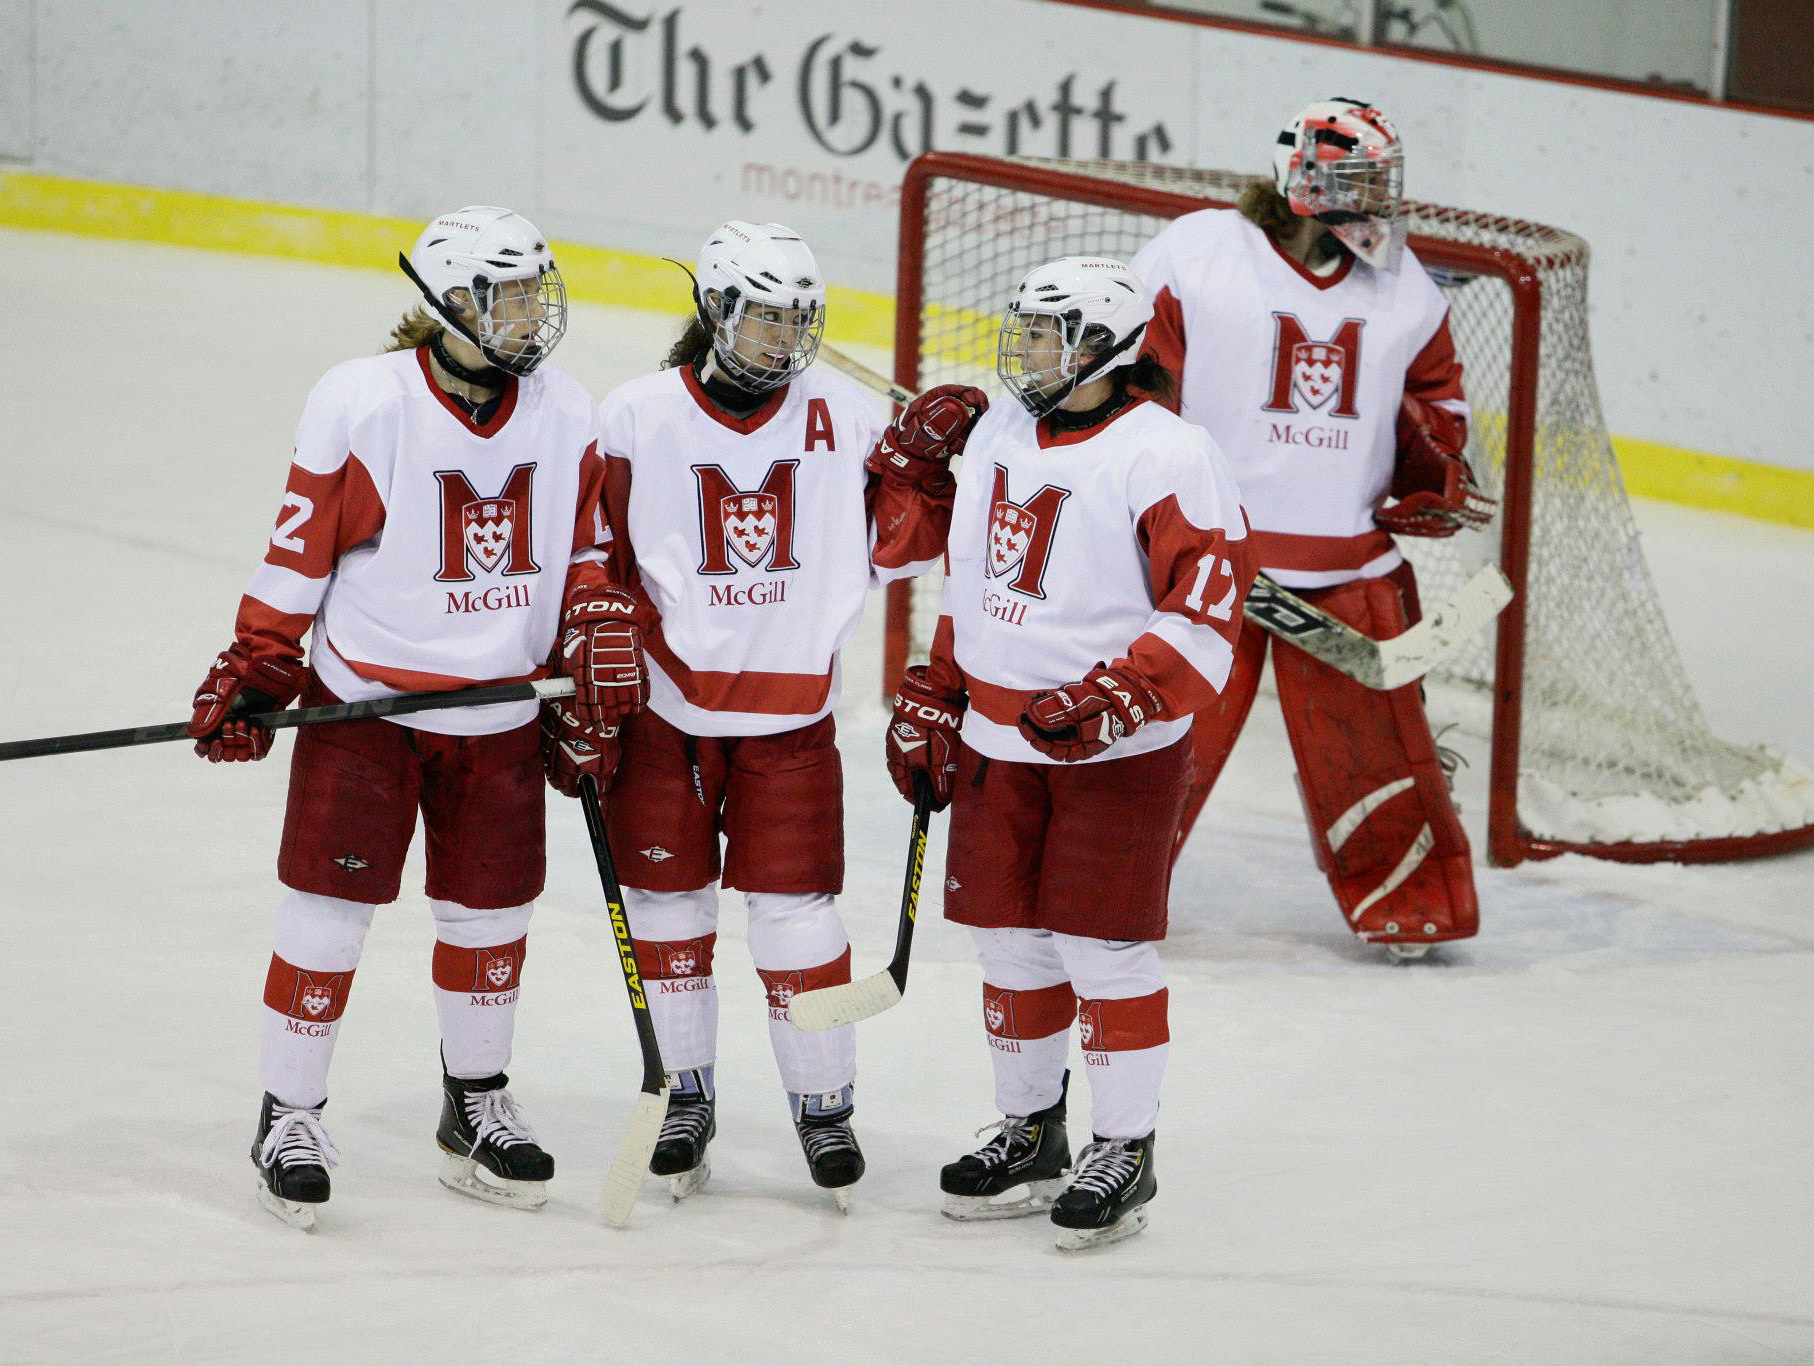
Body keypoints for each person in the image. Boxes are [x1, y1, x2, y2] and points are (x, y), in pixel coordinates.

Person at [188, 206, 649, 1230]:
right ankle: (288, 1112)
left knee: (491, 915)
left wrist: (591, 623)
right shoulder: (364, 400)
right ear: (449, 302)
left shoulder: (567, 408)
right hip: (367, 705)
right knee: (328, 909)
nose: (533, 313)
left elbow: (583, 550)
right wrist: (263, 659)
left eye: (538, 290)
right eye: (508, 294)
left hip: (498, 709)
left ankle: (474, 1100)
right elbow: (299, 545)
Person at [546, 220, 965, 1209]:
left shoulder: (846, 418)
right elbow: (587, 554)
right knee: (667, 911)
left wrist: (929, 471)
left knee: (796, 917)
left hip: (788, 721)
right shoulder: (636, 414)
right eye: (761, 317)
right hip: (664, 715)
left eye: (795, 319)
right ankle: (684, 1092)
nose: (781, 339)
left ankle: (823, 1102)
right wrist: (580, 640)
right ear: (715, 315)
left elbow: (900, 547)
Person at [885, 256, 1252, 1250]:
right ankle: (1030, 1130)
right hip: (998, 738)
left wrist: (1125, 693)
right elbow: (973, 581)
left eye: (1046, 333)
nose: (1026, 349)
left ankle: (1123, 1146)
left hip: (1114, 751)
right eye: (1026, 329)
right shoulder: (1001, 432)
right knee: (1010, 942)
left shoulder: (1169, 453)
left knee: (1102, 948)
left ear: (1105, 347)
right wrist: (937, 686)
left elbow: (1208, 611)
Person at [1128, 97, 1491, 960]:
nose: (1382, 200)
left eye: (1384, 180)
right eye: (1364, 180)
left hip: (1347, 564)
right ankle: (1098, 893)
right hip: (1208, 562)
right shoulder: (1198, 250)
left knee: (1377, 752)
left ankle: (1414, 908)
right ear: (1307, 178)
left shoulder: (1402, 285)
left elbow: (1440, 398)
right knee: (1151, 743)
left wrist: (1430, 457)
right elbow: (1133, 382)